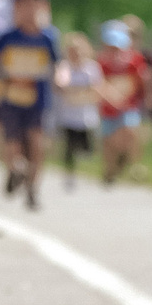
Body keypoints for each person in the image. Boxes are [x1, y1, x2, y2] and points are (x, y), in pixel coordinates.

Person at [0, 0, 59, 211]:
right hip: (11, 99)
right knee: (12, 141)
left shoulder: (47, 38)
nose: (28, 9)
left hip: (37, 100)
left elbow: (57, 66)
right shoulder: (7, 37)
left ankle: (32, 187)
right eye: (23, 4)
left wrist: (61, 79)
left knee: (37, 142)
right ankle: (15, 169)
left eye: (33, 3)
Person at [95, 21, 149, 185]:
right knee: (109, 140)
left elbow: (140, 82)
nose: (115, 51)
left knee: (130, 132)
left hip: (129, 105)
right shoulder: (101, 63)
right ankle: (110, 169)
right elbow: (98, 84)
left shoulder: (134, 62)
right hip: (108, 108)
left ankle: (135, 165)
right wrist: (110, 95)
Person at [56, 31, 102, 189]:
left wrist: (76, 90)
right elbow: (61, 84)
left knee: (86, 148)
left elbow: (97, 88)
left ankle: (86, 172)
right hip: (69, 115)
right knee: (70, 147)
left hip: (86, 115)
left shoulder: (91, 68)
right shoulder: (65, 67)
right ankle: (70, 173)